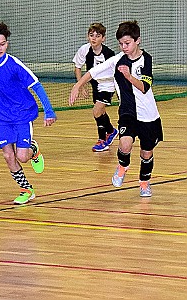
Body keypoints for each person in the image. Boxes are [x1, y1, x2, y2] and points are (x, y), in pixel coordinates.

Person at [0, 20, 57, 204]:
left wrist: (49, 111)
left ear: (7, 43)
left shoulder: (14, 65)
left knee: (22, 156)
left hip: (22, 114)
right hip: (0, 117)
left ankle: (33, 150)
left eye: (3, 44)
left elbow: (36, 86)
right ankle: (26, 189)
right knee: (8, 156)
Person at [69, 21, 163, 197]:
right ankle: (122, 166)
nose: (124, 47)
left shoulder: (146, 59)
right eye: (121, 44)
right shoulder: (117, 60)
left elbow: (144, 87)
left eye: (127, 43)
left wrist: (128, 75)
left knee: (146, 152)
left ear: (137, 41)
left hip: (148, 115)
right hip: (128, 111)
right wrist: (78, 85)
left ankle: (144, 183)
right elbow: (93, 72)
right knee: (125, 143)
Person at [72, 22, 118, 152]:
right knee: (101, 111)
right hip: (95, 84)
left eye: (97, 36)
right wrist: (81, 86)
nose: (94, 38)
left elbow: (116, 72)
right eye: (91, 35)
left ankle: (102, 140)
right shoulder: (84, 50)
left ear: (103, 38)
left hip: (108, 85)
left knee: (96, 111)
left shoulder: (109, 54)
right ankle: (111, 130)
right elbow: (78, 66)